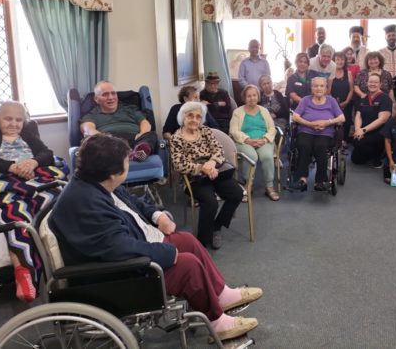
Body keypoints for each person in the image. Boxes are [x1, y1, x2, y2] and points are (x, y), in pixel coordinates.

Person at [49, 133, 260, 342]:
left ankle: (221, 294)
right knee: (188, 265)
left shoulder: (95, 182)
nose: (129, 165)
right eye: (127, 163)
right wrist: (166, 253)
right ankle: (217, 322)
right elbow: (118, 249)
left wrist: (157, 215)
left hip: (134, 245)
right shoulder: (86, 205)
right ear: (113, 174)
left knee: (187, 241)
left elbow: (132, 201)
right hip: (117, 275)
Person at [0, 102, 67, 302]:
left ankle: (67, 261)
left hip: (34, 177)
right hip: (5, 179)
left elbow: (47, 153)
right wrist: (12, 167)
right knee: (14, 212)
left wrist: (32, 162)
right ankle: (23, 271)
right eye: (8, 119)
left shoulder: (28, 135)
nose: (13, 124)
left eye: (18, 120)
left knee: (56, 200)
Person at [170, 102, 244, 248]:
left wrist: (212, 162)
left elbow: (219, 150)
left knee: (237, 194)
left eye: (198, 117)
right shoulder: (176, 138)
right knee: (211, 203)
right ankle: (202, 242)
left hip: (216, 171)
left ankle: (216, 226)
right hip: (194, 178)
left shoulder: (205, 131)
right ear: (183, 117)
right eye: (190, 115)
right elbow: (179, 164)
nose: (194, 120)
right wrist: (202, 168)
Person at [81, 80, 158, 162]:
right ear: (96, 99)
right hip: (109, 142)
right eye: (105, 94)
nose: (111, 97)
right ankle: (127, 154)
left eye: (113, 93)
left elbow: (145, 123)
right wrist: (108, 139)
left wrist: (142, 134)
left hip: (135, 140)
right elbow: (88, 130)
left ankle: (140, 152)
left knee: (151, 135)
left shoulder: (130, 109)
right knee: (93, 141)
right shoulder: (91, 115)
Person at [292, 77, 345, 191]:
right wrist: (310, 124)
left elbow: (342, 118)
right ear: (311, 88)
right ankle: (302, 179)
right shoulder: (305, 100)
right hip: (306, 130)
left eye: (321, 86)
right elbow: (295, 116)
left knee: (320, 146)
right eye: (315, 86)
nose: (318, 88)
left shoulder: (331, 101)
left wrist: (327, 122)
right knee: (303, 145)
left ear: (326, 88)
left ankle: (320, 181)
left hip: (325, 133)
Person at [230, 85, 280, 201]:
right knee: (251, 156)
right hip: (244, 141)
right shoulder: (237, 112)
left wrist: (265, 139)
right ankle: (248, 185)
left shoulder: (264, 111)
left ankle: (269, 187)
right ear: (244, 98)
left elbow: (272, 128)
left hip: (263, 140)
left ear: (258, 96)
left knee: (267, 156)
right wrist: (248, 140)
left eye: (254, 95)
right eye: (249, 96)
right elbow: (233, 130)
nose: (252, 98)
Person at [351, 73, 393, 167]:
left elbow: (382, 119)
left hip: (379, 132)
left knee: (364, 142)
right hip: (364, 130)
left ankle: (379, 155)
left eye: (375, 82)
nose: (372, 84)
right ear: (367, 83)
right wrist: (358, 129)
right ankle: (370, 154)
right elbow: (358, 115)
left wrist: (364, 130)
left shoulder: (385, 98)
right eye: (370, 82)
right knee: (356, 160)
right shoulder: (364, 98)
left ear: (380, 84)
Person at [331, 51, 354, 143]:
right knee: (333, 123)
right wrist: (335, 104)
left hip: (346, 104)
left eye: (342, 59)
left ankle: (344, 142)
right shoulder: (330, 73)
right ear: (333, 60)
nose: (340, 62)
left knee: (346, 123)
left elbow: (351, 90)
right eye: (337, 59)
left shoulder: (348, 73)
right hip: (333, 104)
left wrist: (347, 102)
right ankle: (334, 143)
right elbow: (328, 91)